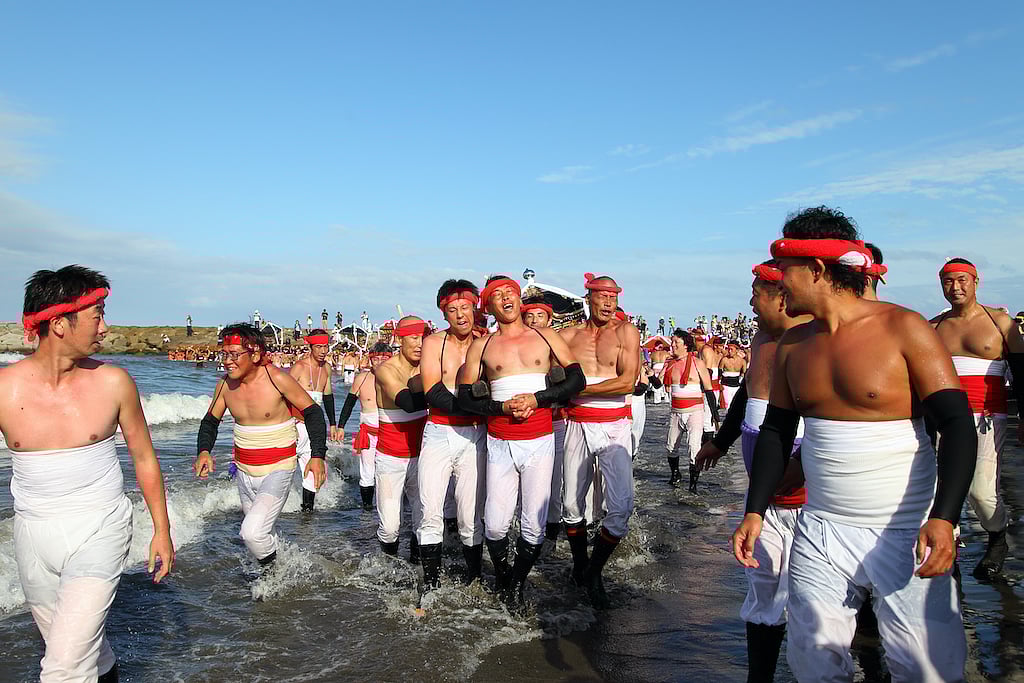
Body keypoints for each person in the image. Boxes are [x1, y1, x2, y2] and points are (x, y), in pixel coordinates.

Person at [732, 207, 976, 681]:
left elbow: (958, 425)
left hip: (905, 529)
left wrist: (945, 519)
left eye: (786, 272)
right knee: (813, 662)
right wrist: (755, 510)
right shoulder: (794, 345)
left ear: (818, 270)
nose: (779, 283)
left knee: (925, 668)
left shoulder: (903, 328)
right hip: (820, 528)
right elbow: (778, 433)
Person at [1, 266, 174, 683]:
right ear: (59, 323)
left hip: (101, 526)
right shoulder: (6, 389)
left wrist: (161, 530)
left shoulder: (113, 382)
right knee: (81, 653)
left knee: (62, 668)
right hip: (33, 534)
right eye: (97, 315)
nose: (105, 326)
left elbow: (145, 458)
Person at [695, 260, 811, 682]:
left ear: (782, 295)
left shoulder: (814, 338)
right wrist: (721, 442)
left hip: (804, 486)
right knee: (763, 581)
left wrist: (800, 468)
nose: (749, 301)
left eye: (756, 293)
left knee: (814, 589)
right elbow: (747, 392)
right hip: (763, 490)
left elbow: (834, 420)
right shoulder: (762, 337)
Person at [458, 275, 583, 609]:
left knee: (533, 525)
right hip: (499, 441)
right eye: (497, 296)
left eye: (511, 292)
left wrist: (539, 399)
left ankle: (514, 585)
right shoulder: (481, 345)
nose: (506, 299)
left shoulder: (545, 335)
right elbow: (466, 397)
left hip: (540, 439)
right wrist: (500, 407)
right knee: (496, 525)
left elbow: (576, 379)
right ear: (488, 306)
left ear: (519, 298)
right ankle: (502, 574)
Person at [195, 323, 327, 567]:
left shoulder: (276, 379)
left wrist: (317, 456)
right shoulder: (225, 386)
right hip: (244, 472)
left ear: (254, 354)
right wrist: (204, 451)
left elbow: (313, 412)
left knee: (251, 533)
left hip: (278, 468)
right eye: (225, 354)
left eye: (235, 355)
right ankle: (289, 574)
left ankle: (273, 574)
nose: (228, 361)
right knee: (261, 533)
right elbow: (210, 422)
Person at [930, 257, 1024, 580]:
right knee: (942, 487)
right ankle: (949, 551)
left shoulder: (1000, 323)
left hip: (987, 417)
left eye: (961, 281)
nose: (955, 288)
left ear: (975, 281)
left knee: (982, 493)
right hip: (944, 420)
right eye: (948, 282)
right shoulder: (935, 326)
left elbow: (1022, 376)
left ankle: (997, 536)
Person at [558, 275, 641, 607]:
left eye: (614, 297)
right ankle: (580, 567)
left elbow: (626, 382)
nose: (608, 302)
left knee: (621, 505)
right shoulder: (568, 335)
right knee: (570, 504)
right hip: (576, 424)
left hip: (613, 425)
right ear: (588, 298)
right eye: (602, 296)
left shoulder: (625, 332)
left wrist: (577, 389)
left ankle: (594, 569)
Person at [417, 280, 488, 588]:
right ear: (443, 313)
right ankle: (430, 583)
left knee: (471, 515)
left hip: (475, 436)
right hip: (439, 432)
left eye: (465, 308)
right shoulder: (434, 343)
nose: (461, 315)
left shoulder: (487, 341)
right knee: (430, 510)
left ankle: (474, 580)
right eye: (452, 310)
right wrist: (476, 407)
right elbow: (432, 390)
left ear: (475, 308)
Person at [373, 316, 429, 559]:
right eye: (414, 338)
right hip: (390, 458)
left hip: (423, 455)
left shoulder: (427, 366)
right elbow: (408, 404)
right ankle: (390, 565)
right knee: (390, 527)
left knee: (423, 521)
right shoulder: (386, 370)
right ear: (400, 339)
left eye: (423, 338)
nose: (420, 344)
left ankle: (417, 567)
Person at [522, 296, 567, 542]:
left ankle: (550, 533)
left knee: (554, 479)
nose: (535, 321)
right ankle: (526, 533)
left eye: (540, 316)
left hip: (555, 421)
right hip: (524, 422)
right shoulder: (511, 345)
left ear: (549, 320)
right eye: (530, 316)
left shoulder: (559, 346)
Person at [288, 329, 339, 512]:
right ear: (310, 347)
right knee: (283, 469)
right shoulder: (299, 367)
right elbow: (283, 395)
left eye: (325, 346)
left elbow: (328, 397)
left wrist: (333, 424)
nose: (323, 351)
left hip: (314, 429)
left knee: (313, 471)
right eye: (318, 347)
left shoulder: (326, 368)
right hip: (295, 425)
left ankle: (307, 512)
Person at [662, 329, 717, 491]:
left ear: (686, 345)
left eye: (675, 343)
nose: (672, 345)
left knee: (694, 447)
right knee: (671, 447)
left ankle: (693, 485)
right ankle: (675, 474)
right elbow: (658, 385)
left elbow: (708, 389)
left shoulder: (697, 363)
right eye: (672, 342)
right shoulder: (670, 364)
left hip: (695, 411)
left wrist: (715, 415)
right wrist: (650, 375)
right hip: (676, 411)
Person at [339, 342, 392, 510]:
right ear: (370, 360)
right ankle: (367, 508)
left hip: (390, 432)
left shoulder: (397, 378)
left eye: (384, 358)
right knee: (367, 471)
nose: (380, 362)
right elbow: (348, 404)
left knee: (390, 470)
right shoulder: (361, 379)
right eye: (376, 359)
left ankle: (390, 505)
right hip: (368, 433)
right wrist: (340, 426)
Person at [718, 341, 747, 410]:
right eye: (728, 349)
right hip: (725, 386)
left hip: (736, 386)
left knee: (735, 405)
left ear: (737, 350)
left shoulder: (742, 361)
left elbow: (744, 373)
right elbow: (719, 373)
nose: (729, 351)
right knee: (727, 404)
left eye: (732, 349)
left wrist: (741, 380)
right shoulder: (724, 360)